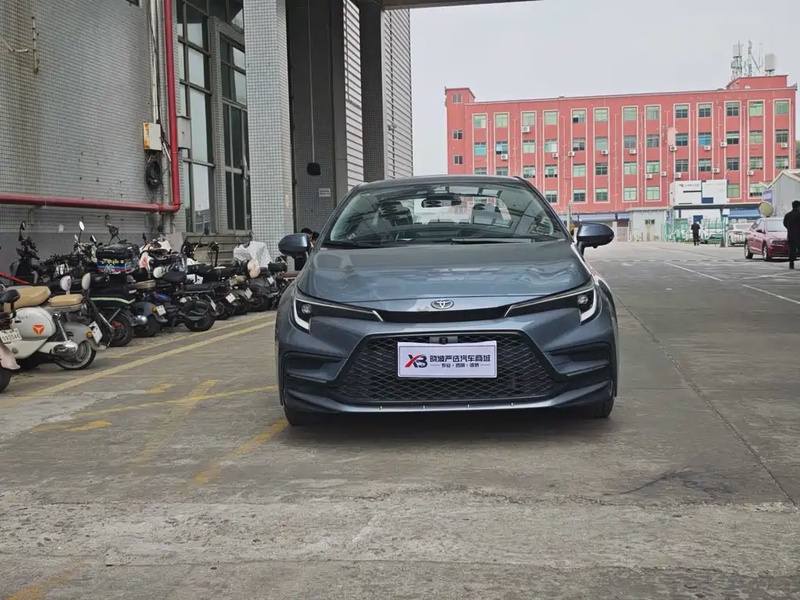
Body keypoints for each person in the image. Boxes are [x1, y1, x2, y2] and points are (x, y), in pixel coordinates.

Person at [783, 200, 800, 269]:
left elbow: (784, 224)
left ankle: (791, 264)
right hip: (799, 235)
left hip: (791, 235)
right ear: (798, 207)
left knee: (791, 250)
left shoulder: (788, 215)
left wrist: (790, 229)